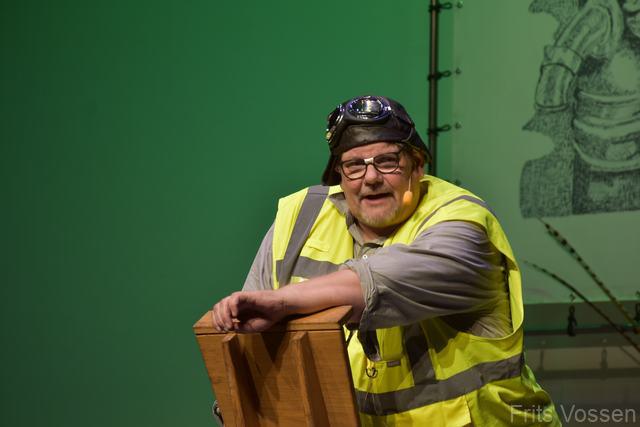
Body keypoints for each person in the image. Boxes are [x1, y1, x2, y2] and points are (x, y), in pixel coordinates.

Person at [212, 95, 560, 425]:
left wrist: (282, 301)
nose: (371, 178)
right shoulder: (299, 219)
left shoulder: (461, 222)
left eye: (387, 161)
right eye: (354, 166)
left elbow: (379, 282)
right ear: (339, 176)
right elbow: (251, 344)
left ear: (417, 166)